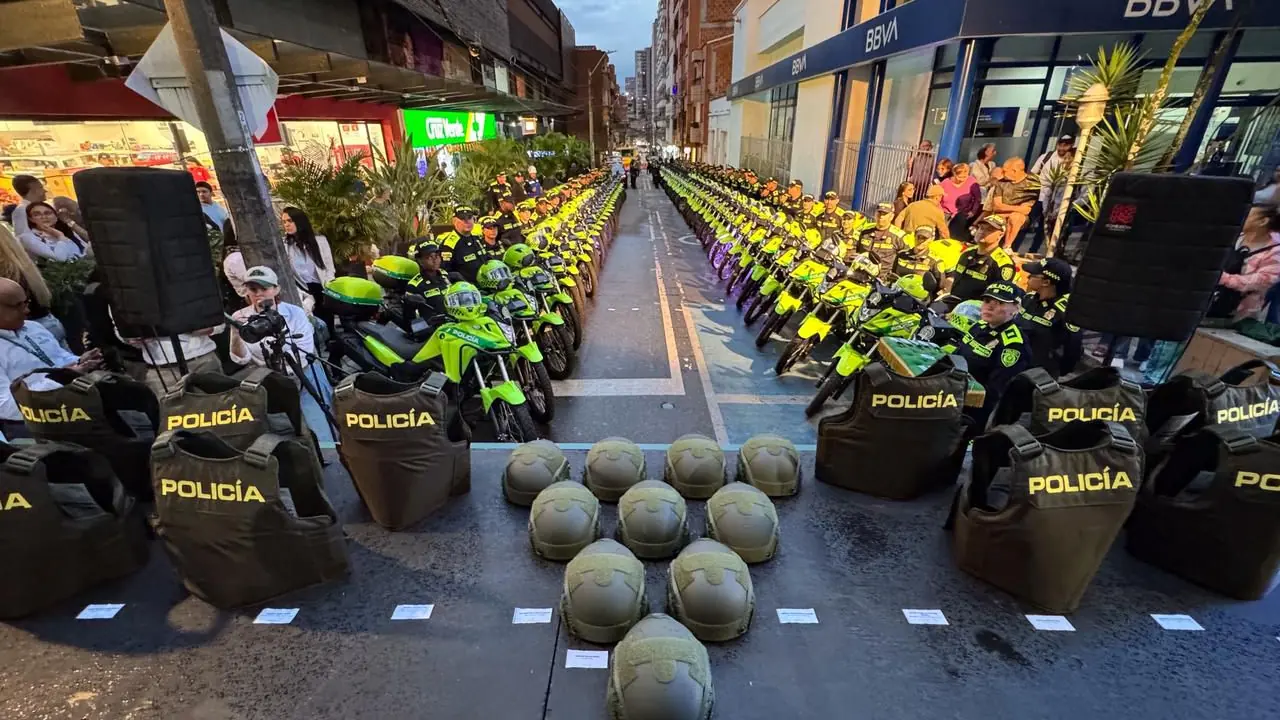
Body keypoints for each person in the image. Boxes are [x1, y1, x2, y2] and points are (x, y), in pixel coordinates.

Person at [228, 265, 333, 442]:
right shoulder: (240, 316)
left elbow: (304, 352)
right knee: (283, 432)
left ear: (276, 289)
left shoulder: (295, 313)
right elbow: (241, 358)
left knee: (319, 431)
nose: (258, 293)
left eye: (264, 288)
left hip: (301, 375)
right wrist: (237, 332)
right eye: (253, 289)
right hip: (269, 380)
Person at [0, 278, 103, 438]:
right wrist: (60, 378)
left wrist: (81, 361)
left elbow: (60, 359)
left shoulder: (33, 327)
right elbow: (5, 406)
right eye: (17, 306)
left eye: (26, 303)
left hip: (74, 402)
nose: (26, 310)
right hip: (32, 422)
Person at [956, 281, 1030, 431]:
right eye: (987, 300)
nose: (990, 306)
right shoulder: (979, 326)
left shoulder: (1013, 344)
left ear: (1016, 308)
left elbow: (995, 392)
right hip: (956, 396)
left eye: (1000, 303)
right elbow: (957, 355)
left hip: (975, 413)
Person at [1208, 203, 1280, 321]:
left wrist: (1223, 278)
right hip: (1211, 299)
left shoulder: (1275, 252)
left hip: (1238, 313)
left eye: (1248, 215)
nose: (1243, 218)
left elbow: (1261, 281)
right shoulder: (1236, 237)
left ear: (1263, 222)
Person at [1020, 258, 1082, 378]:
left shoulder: (1066, 312)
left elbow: (1073, 349)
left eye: (1032, 275)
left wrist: (1058, 372)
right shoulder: (1028, 299)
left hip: (1038, 374)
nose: (1027, 277)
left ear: (1046, 282)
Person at [947, 216, 1015, 303]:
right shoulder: (967, 252)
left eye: (989, 230)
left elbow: (997, 297)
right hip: (953, 303)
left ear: (1000, 235)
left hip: (976, 310)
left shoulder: (1003, 263)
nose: (982, 232)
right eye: (981, 228)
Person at [281, 206, 336, 313]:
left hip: (322, 288)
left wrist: (329, 286)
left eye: (290, 221)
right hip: (302, 290)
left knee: (326, 323)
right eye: (284, 222)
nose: (286, 225)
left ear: (299, 221)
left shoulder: (320, 241)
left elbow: (329, 267)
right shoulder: (285, 245)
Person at [405, 237, 450, 336]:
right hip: (433, 334)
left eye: (437, 255)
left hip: (454, 326)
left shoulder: (445, 275)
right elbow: (411, 319)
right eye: (429, 257)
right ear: (420, 260)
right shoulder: (414, 285)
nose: (435, 260)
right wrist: (425, 331)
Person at [988, 157, 1036, 249]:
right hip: (999, 214)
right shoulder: (1001, 183)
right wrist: (1016, 209)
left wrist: (1006, 209)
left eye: (1005, 171)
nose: (1003, 173)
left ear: (1014, 171)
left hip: (1020, 218)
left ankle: (1007, 246)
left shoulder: (1031, 184)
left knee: (1015, 217)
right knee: (992, 221)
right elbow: (997, 206)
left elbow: (1026, 210)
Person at [22, 201, 89, 262]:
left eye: (48, 213)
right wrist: (60, 236)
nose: (44, 217)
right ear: (31, 219)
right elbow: (60, 258)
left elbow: (84, 251)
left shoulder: (65, 230)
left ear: (56, 217)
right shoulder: (30, 237)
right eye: (37, 214)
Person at [440, 205, 492, 283]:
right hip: (467, 289)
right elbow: (445, 272)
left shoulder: (477, 238)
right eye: (462, 218)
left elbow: (488, 259)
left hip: (487, 283)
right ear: (454, 221)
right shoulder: (449, 244)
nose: (467, 221)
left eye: (469, 217)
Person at [857, 202, 910, 278]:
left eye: (884, 214)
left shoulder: (899, 236)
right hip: (862, 275)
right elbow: (858, 251)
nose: (881, 217)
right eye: (879, 213)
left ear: (891, 216)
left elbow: (905, 260)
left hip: (883, 279)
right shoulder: (865, 231)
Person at [893, 225, 943, 298]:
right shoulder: (902, 255)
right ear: (914, 236)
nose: (920, 241)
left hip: (918, 300)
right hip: (897, 293)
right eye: (918, 237)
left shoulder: (935, 261)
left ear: (932, 239)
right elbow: (893, 273)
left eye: (924, 239)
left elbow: (939, 287)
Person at [941, 162, 983, 242]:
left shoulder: (972, 182)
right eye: (959, 177)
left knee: (955, 236)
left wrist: (973, 211)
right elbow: (937, 196)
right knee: (943, 235)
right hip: (945, 213)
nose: (962, 179)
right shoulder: (946, 182)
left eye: (965, 176)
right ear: (954, 174)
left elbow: (978, 198)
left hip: (962, 214)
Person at [8, 175, 46, 239]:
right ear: (33, 190)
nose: (45, 191)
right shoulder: (21, 211)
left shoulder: (39, 207)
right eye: (41, 187)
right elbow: (24, 238)